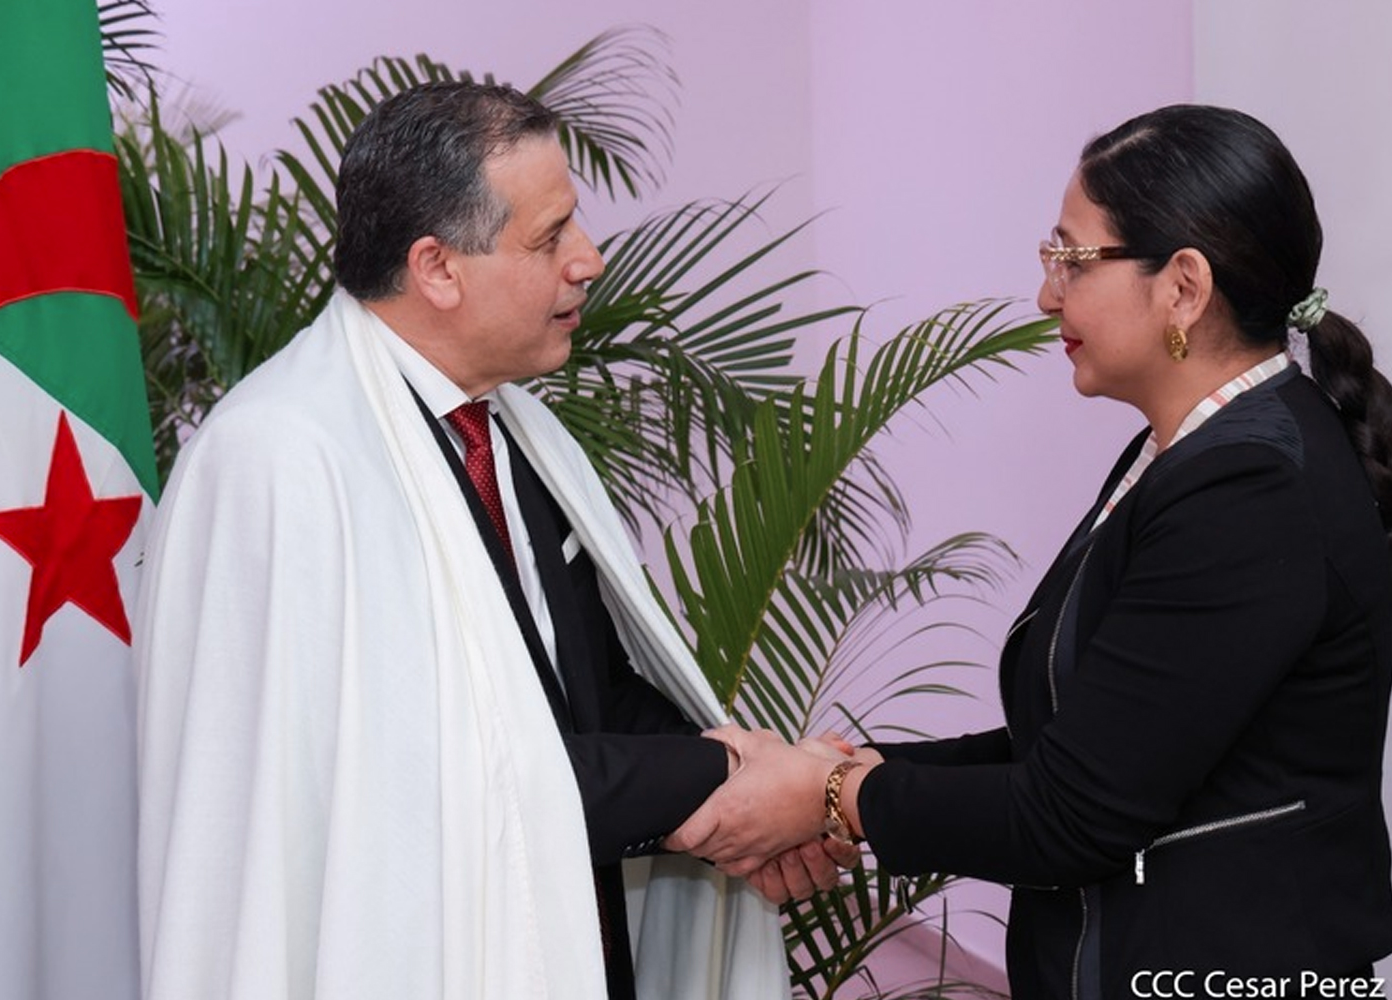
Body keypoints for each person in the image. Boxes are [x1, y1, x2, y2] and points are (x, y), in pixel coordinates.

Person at [134, 81, 840, 1000]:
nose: (587, 261)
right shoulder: (279, 461)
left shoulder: (515, 432)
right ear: (436, 267)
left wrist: (755, 789)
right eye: (550, 238)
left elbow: (588, 693)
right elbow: (418, 786)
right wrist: (734, 777)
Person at [666, 104, 1392, 996]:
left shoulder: (1250, 486)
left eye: (1071, 259)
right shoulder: (1189, 449)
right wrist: (855, 773)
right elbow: (1086, 740)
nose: (1048, 294)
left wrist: (826, 798)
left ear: (1184, 287)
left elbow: (1069, 817)